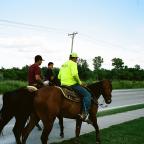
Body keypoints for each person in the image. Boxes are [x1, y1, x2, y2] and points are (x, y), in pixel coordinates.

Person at [58, 52, 91, 121]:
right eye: (76, 59)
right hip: (72, 84)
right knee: (87, 95)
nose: (76, 60)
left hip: (63, 84)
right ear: (75, 58)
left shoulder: (63, 64)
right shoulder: (73, 63)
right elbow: (75, 74)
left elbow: (59, 77)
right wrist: (80, 83)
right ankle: (84, 113)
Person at [28, 55, 44, 130]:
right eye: (41, 61)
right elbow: (37, 78)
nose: (41, 62)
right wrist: (43, 83)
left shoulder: (30, 66)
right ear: (39, 60)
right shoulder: (37, 67)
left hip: (29, 85)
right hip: (36, 86)